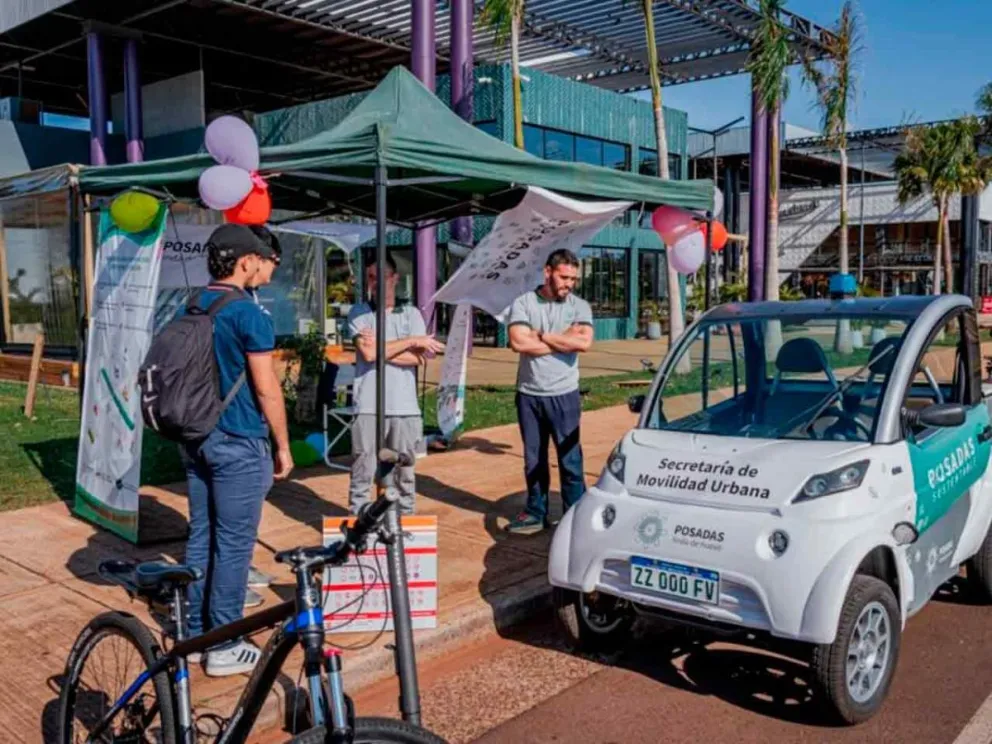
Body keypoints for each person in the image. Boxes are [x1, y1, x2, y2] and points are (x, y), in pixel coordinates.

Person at [181, 223, 293, 677]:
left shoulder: (194, 303)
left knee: (201, 537)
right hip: (238, 441)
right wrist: (282, 445)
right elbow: (267, 390)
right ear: (247, 261)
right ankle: (224, 643)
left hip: (196, 438)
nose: (271, 270)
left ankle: (193, 635)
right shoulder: (249, 314)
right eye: (268, 262)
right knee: (233, 546)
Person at [505, 249, 594, 535]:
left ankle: (575, 515)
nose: (569, 284)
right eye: (564, 277)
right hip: (529, 394)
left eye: (573, 279)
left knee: (570, 459)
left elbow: (584, 343)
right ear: (547, 272)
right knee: (534, 459)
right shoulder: (524, 303)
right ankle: (535, 512)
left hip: (564, 394)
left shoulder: (579, 306)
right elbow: (519, 343)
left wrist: (541, 335)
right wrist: (562, 338)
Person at [347, 252, 443, 515]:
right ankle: (359, 525)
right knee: (363, 472)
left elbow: (417, 360)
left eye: (382, 277)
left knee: (405, 473)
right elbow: (367, 354)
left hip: (404, 407)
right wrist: (411, 341)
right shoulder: (359, 313)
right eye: (370, 277)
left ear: (395, 278)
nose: (375, 282)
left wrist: (380, 347)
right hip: (368, 406)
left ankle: (405, 527)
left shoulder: (411, 313)